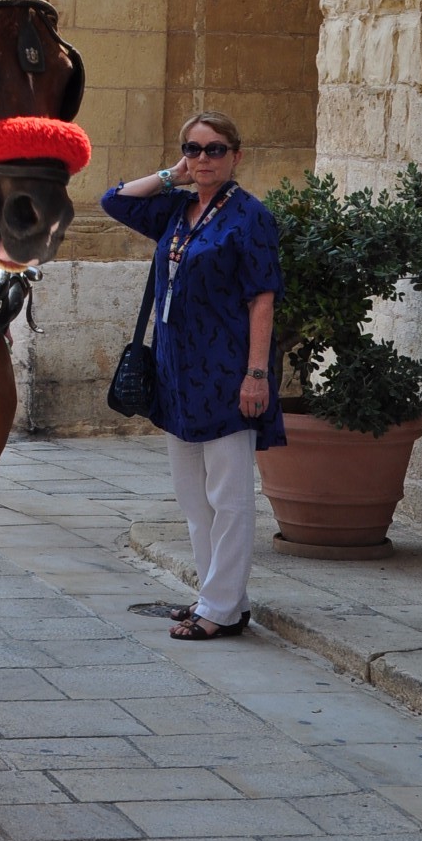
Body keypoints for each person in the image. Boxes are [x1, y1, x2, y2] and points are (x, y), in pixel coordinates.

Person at [101, 111, 283, 642]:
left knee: (229, 497)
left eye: (215, 149)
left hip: (227, 371)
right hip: (177, 372)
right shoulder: (178, 210)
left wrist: (256, 374)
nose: (203, 159)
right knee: (191, 497)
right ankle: (219, 596)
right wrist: (169, 175)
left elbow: (263, 299)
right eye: (193, 149)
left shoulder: (250, 217)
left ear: (236, 156)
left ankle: (221, 609)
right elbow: (114, 200)